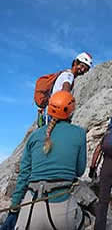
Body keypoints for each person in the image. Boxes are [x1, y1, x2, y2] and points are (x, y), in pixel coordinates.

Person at [8, 91, 87, 230]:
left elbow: (24, 176)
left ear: (49, 111)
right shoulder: (79, 133)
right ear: (70, 112)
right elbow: (79, 171)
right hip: (62, 208)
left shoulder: (34, 136)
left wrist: (14, 208)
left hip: (31, 208)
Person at [36, 52, 93, 127]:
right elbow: (66, 88)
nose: (82, 70)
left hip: (52, 111)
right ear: (75, 63)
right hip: (56, 114)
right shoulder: (69, 75)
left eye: (86, 69)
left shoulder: (65, 74)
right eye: (82, 66)